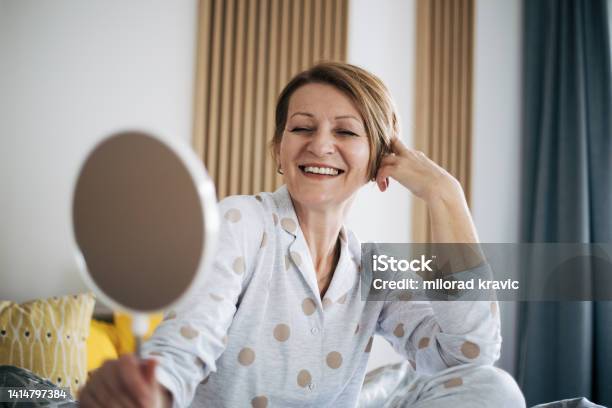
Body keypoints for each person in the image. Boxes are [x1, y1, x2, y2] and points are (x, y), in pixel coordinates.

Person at [79, 62, 525, 407]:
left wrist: (445, 195)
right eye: (302, 127)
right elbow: (187, 342)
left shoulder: (375, 270)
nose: (320, 144)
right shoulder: (240, 223)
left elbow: (468, 356)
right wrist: (151, 393)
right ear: (279, 150)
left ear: (379, 162)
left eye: (346, 131)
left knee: (496, 389)